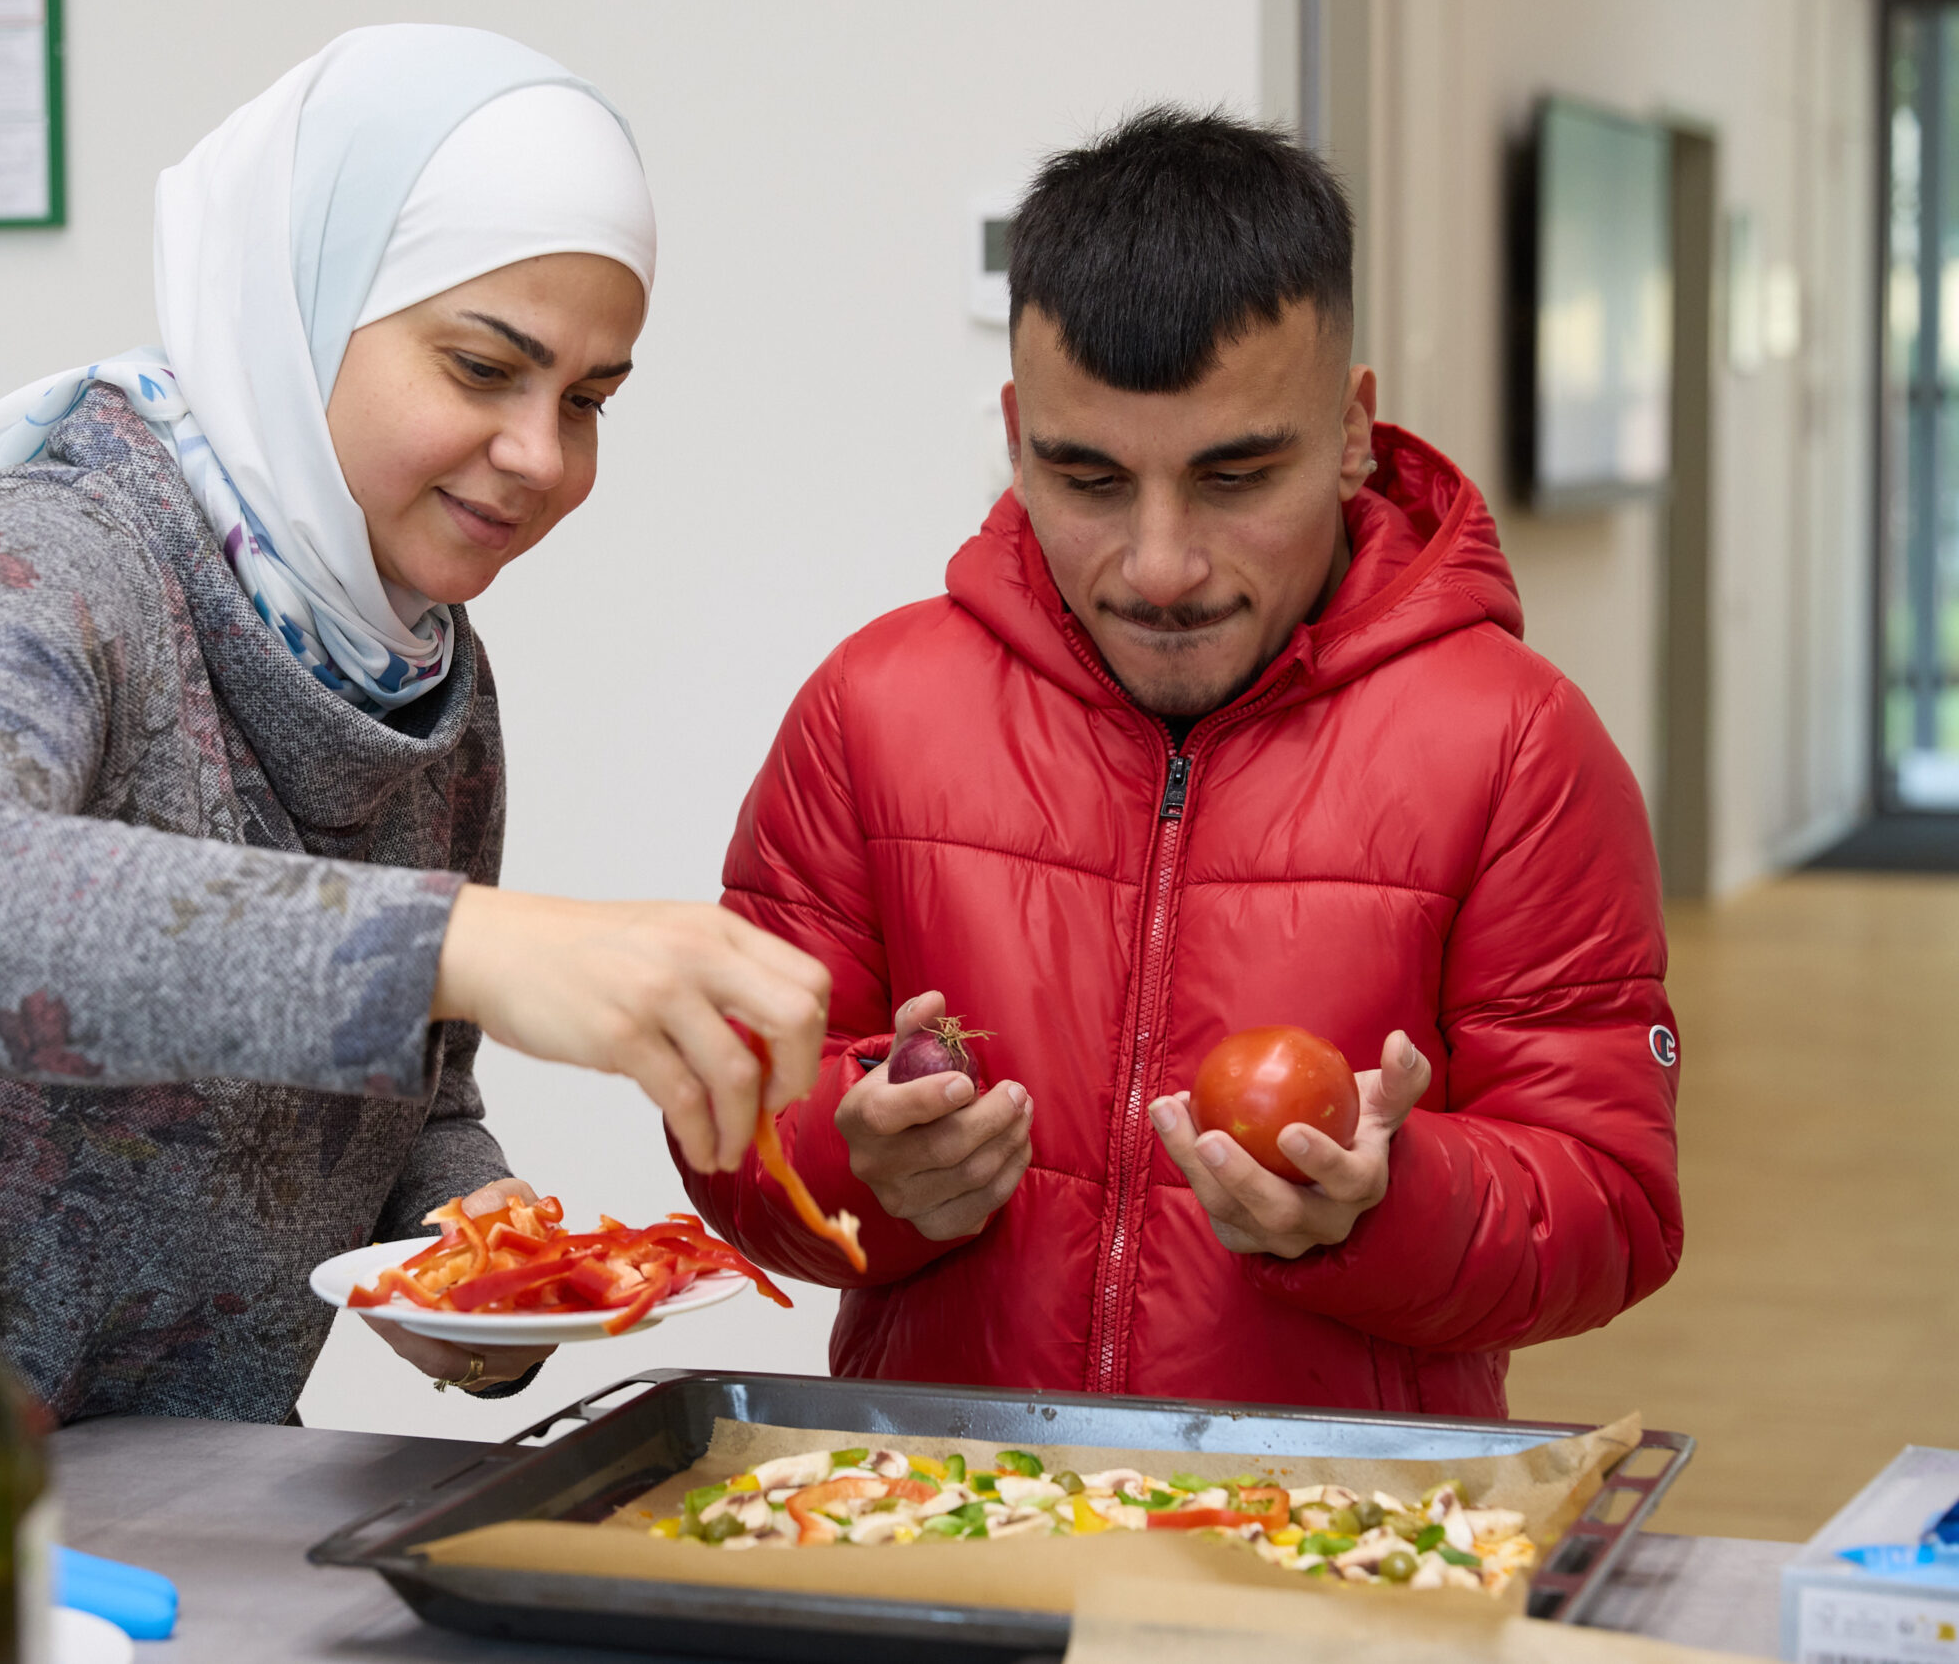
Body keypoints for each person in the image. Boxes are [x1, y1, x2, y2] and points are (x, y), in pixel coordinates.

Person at [0, 24, 827, 1608]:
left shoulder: (427, 676)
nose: (541, 456)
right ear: (295, 310)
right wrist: (476, 940)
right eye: (482, 366)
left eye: (590, 397)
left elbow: (405, 1096)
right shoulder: (45, 561)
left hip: (148, 1526)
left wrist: (482, 1245)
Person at [680, 109, 1681, 1413]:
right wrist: (856, 1165)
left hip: (1331, 1557)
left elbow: (1615, 1203)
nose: (1159, 567)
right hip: (945, 1526)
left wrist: (1385, 1207)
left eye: (1235, 476)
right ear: (1015, 428)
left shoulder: (1519, 746)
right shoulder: (869, 711)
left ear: (1354, 431)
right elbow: (731, 1125)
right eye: (1086, 478)